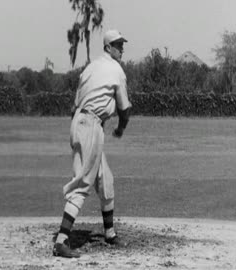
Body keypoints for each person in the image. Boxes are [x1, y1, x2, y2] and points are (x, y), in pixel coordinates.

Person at [52, 29, 132, 258]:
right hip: (91, 126)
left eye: (122, 44)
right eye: (117, 44)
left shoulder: (90, 68)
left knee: (105, 179)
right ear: (108, 47)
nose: (121, 48)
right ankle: (61, 240)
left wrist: (81, 130)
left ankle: (110, 233)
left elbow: (74, 104)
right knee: (83, 182)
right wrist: (120, 128)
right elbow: (125, 109)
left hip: (79, 122)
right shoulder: (116, 69)